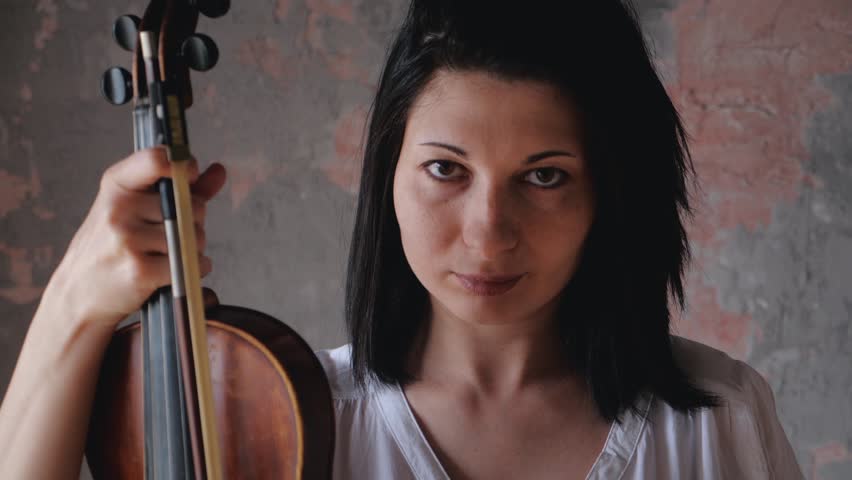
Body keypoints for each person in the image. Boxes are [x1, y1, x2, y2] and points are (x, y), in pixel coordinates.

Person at [0, 0, 805, 478]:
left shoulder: (715, 422)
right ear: (388, 174)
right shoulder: (288, 426)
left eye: (546, 175)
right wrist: (78, 297)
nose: (488, 231)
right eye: (446, 170)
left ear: (610, 193)